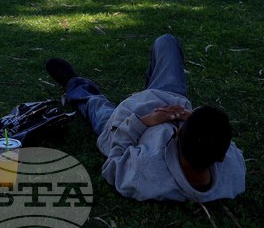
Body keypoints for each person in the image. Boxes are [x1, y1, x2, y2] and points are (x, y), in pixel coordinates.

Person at [45, 34, 246, 202]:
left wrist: (142, 123)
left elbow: (113, 163)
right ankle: (147, 90)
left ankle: (73, 82)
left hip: (124, 121)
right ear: (222, 156)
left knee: (94, 105)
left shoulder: (148, 173)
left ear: (178, 132)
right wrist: (191, 116)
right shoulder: (234, 175)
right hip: (169, 96)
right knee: (166, 42)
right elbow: (222, 137)